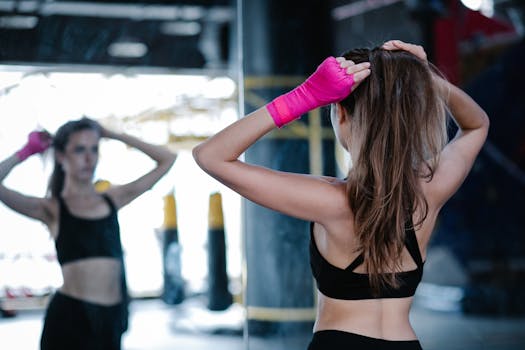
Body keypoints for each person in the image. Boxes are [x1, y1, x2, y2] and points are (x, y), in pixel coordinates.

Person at [193, 39, 489, 349]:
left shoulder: (331, 201)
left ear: (340, 114)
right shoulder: (428, 191)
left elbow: (210, 156)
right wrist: (425, 77)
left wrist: (303, 97)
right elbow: (477, 125)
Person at [0, 117, 177, 349]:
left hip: (110, 319)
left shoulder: (113, 199)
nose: (88, 158)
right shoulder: (52, 209)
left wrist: (113, 134)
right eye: (79, 150)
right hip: (70, 319)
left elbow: (167, 159)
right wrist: (25, 152)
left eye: (94, 149)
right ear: (61, 156)